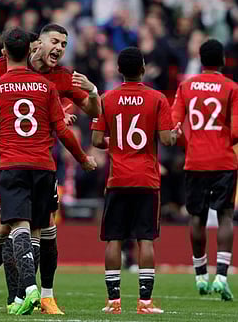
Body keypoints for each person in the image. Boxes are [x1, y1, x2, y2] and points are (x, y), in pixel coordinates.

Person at [0, 27, 97, 315]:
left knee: (42, 228)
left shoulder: (64, 78)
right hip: (5, 158)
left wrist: (91, 92)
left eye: (63, 44)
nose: (58, 48)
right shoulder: (3, 69)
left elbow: (94, 111)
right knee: (6, 225)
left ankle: (34, 294)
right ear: (36, 45)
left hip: (42, 161)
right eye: (54, 42)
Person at [92, 47, 178, 314]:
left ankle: (113, 302)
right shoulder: (157, 99)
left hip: (118, 178)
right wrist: (174, 134)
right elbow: (165, 139)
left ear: (119, 70)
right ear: (142, 68)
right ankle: (145, 302)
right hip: (146, 178)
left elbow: (96, 141)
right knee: (146, 240)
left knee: (114, 239)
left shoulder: (107, 98)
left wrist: (116, 143)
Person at [171, 39, 238, 301]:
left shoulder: (186, 86)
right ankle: (221, 277)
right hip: (223, 161)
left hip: (196, 161)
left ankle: (200, 275)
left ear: (201, 60)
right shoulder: (232, 88)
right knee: (225, 217)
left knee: (197, 218)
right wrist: (222, 140)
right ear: (222, 60)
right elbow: (237, 132)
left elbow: (173, 126)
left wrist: (190, 145)